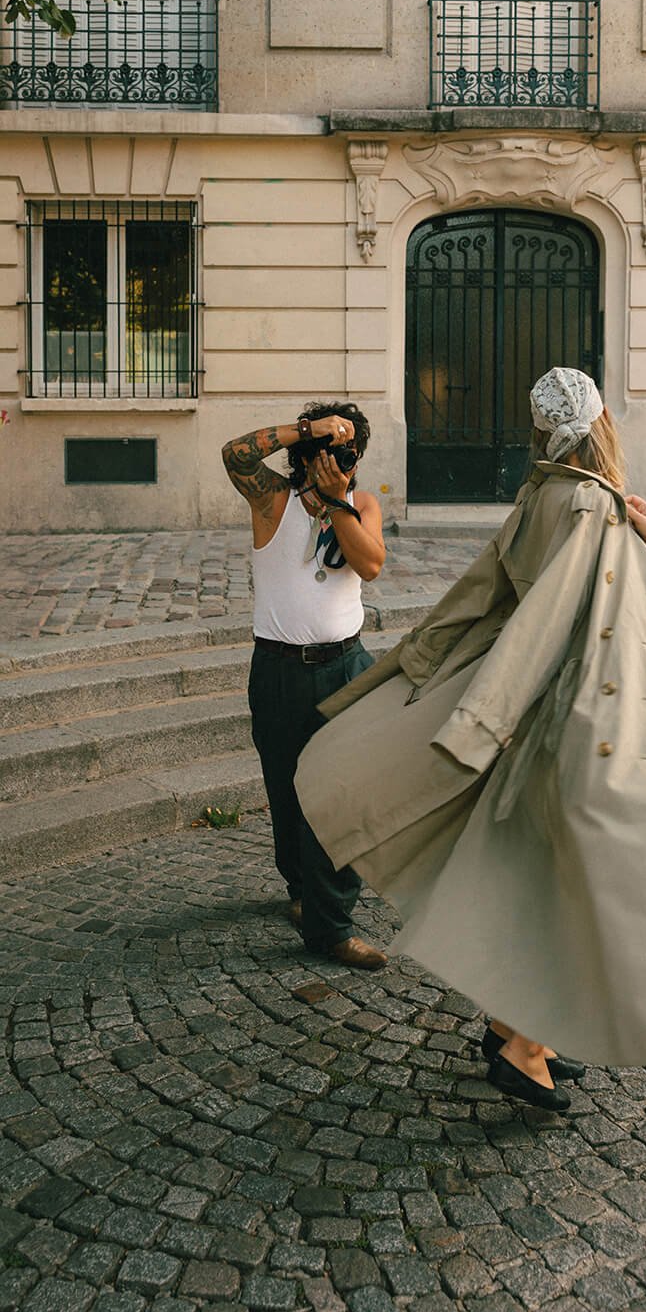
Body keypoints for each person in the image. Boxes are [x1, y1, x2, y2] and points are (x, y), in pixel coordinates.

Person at [294, 369, 646, 1109]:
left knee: (535, 875)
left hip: (538, 699)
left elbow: (480, 594)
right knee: (587, 881)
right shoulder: (591, 505)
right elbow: (613, 618)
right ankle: (523, 1046)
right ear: (601, 426)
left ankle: (516, 1025)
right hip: (588, 709)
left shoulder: (536, 495)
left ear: (542, 432)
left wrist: (416, 667)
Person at [221, 402, 389, 970]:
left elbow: (370, 564)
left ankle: (332, 925)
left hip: (347, 668)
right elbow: (234, 453)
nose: (341, 460)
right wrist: (307, 430)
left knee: (345, 798)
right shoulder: (272, 501)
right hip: (278, 672)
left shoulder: (361, 504)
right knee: (287, 793)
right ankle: (300, 891)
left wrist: (338, 498)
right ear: (305, 454)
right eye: (329, 450)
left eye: (349, 452)